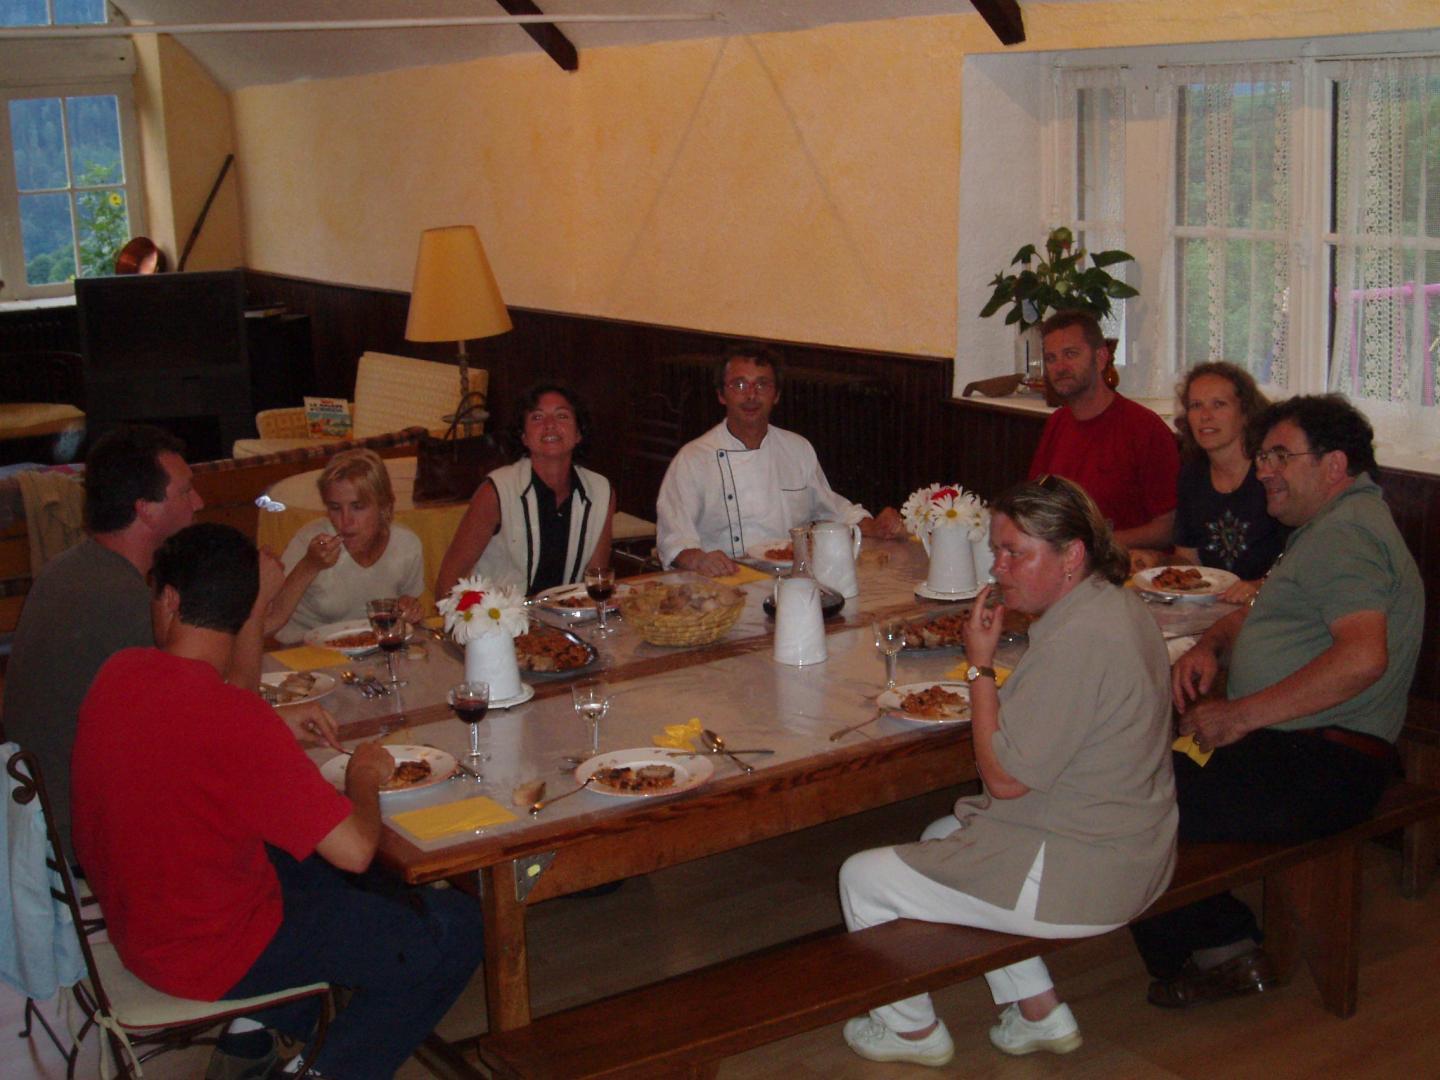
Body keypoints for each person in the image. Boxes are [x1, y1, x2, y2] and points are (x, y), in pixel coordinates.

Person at [70, 524, 484, 1080]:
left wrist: (271, 724)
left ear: (168, 599)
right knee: (455, 926)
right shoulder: (235, 719)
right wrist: (363, 775)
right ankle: (321, 1070)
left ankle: (254, 1033)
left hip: (139, 927)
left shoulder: (118, 673)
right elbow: (356, 849)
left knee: (321, 870)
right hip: (212, 954)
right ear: (246, 611)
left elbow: (199, 731)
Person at [837, 476, 1176, 1068]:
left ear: (1071, 555)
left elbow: (1004, 781)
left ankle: (912, 1033)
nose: (998, 567)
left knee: (861, 878)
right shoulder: (1117, 605)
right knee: (943, 834)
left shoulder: (1078, 640)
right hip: (1136, 844)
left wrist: (980, 667)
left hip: (1090, 871)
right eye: (996, 550)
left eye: (1015, 552)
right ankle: (1038, 1010)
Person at [1132, 394, 1423, 1008]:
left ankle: (1226, 948)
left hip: (1324, 764)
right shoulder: (1333, 525)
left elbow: (1363, 656)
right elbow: (1270, 611)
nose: (1263, 470)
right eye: (1262, 456)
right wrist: (1212, 644)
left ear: (1334, 464)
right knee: (1137, 774)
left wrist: (1237, 716)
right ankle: (1210, 934)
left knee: (1128, 798)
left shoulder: (1345, 536)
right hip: (1300, 749)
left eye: (1279, 456)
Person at [1, 424, 202, 846]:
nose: (198, 502)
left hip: (42, 814)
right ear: (146, 509)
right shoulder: (119, 598)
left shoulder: (72, 568)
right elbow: (194, 725)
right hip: (83, 836)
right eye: (186, 492)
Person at [656, 343, 905, 576]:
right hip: (725, 582)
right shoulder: (694, 459)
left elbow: (833, 509)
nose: (751, 395)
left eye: (762, 385)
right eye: (739, 385)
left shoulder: (797, 448)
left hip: (794, 575)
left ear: (776, 395)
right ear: (721, 395)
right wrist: (699, 559)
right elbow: (674, 539)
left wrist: (875, 525)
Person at [435, 383, 615, 599]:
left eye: (562, 416)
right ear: (524, 437)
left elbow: (596, 579)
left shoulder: (600, 491)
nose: (550, 425)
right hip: (499, 616)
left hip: (568, 614)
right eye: (537, 417)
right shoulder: (497, 491)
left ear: (578, 433)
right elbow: (448, 583)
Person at [1130, 362, 1288, 604]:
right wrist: (1158, 563)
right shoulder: (1192, 475)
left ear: (1246, 413)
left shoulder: (1271, 474)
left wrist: (1259, 587)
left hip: (1270, 605)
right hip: (1211, 606)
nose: (1205, 416)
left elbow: (1303, 563)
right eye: (1196, 405)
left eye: (1219, 404)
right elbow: (1188, 561)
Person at [1027, 311, 1180, 551]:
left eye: (1071, 354)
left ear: (1100, 358)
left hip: (1121, 562)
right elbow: (1036, 501)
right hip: (1063, 559)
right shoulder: (1057, 423)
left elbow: (1169, 528)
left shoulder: (1144, 428)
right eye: (1051, 358)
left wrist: (1095, 544)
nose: (1060, 367)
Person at [272, 448, 425, 643]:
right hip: (303, 649)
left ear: (384, 505)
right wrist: (309, 565)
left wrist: (409, 609)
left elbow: (408, 607)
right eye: (335, 508)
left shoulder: (406, 545)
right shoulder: (310, 542)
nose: (345, 521)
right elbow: (269, 615)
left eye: (357, 507)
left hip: (372, 647)